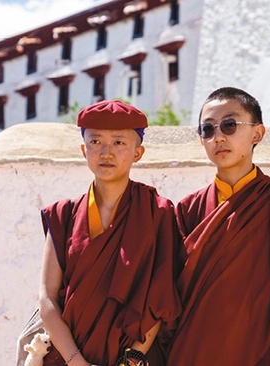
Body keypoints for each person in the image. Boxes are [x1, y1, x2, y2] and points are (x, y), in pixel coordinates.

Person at [165, 87, 270, 365]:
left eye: (230, 125)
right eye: (207, 130)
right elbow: (171, 300)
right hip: (199, 353)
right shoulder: (188, 210)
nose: (218, 136)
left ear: (257, 133)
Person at [38, 100, 181, 366]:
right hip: (67, 357)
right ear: (83, 150)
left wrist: (133, 358)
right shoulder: (63, 215)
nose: (106, 153)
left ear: (138, 153)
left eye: (119, 143)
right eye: (95, 142)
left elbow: (161, 298)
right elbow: (47, 298)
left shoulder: (157, 212)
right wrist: (77, 362)